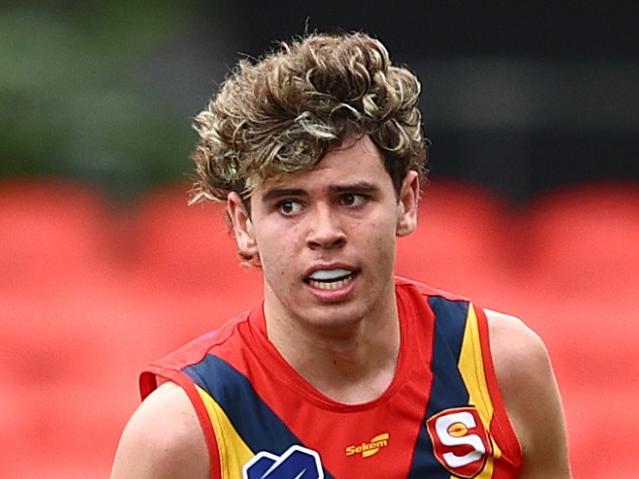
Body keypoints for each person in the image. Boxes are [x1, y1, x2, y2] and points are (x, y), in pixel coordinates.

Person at [111, 32, 571, 478]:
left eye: (351, 198)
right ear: (243, 225)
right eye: (288, 205)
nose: (325, 233)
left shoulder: (503, 364)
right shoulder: (179, 431)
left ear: (406, 203)